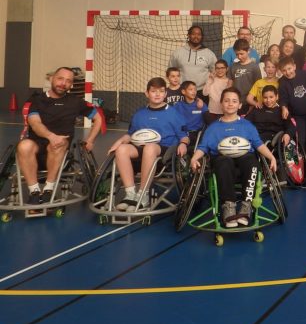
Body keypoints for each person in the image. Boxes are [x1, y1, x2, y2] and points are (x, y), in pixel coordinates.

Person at [190, 88, 277, 228]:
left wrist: (271, 157)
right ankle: (228, 206)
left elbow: (259, 144)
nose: (230, 104)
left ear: (240, 105)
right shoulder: (213, 127)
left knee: (252, 162)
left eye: (234, 101)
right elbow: (203, 147)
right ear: (221, 104)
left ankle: (246, 205)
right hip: (222, 160)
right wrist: (194, 158)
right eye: (227, 101)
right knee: (224, 161)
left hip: (245, 158)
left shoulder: (247, 125)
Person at [17, 66, 102, 205]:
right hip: (36, 146)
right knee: (24, 145)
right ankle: (34, 191)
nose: (63, 83)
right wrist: (51, 136)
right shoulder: (36, 100)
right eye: (60, 78)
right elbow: (35, 123)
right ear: (51, 78)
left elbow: (98, 118)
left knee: (58, 144)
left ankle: (49, 189)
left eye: (68, 81)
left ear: (71, 84)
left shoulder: (75, 102)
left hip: (60, 148)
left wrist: (90, 140)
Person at [109, 77, 189, 211]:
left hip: (165, 152)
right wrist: (120, 141)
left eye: (161, 91)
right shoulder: (139, 114)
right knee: (122, 149)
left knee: (150, 148)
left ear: (165, 94)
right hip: (141, 148)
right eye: (153, 91)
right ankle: (130, 194)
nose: (157, 94)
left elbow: (184, 136)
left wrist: (183, 144)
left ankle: (143, 194)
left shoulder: (174, 113)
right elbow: (130, 134)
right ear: (147, 93)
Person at [278, 56, 306, 160]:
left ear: (294, 66)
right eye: (284, 70)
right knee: (300, 140)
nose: (288, 72)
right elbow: (283, 98)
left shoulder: (304, 74)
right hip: (297, 115)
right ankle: (301, 162)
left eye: (289, 68)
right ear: (281, 71)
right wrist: (284, 107)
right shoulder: (282, 82)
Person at [168, 25, 217, 89]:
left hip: (203, 90)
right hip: (182, 90)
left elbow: (215, 72)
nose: (196, 36)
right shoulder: (178, 53)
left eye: (199, 34)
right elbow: (170, 71)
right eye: (193, 34)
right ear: (188, 35)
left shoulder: (209, 54)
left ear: (202, 36)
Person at [228, 39, 261, 114]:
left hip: (249, 103)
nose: (239, 56)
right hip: (235, 102)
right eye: (237, 54)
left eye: (241, 54)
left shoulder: (255, 67)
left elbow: (258, 86)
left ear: (248, 51)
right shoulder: (233, 66)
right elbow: (229, 84)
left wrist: (254, 103)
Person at [174, 80, 207, 147]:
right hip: (182, 134)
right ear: (183, 91)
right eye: (191, 89)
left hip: (197, 134)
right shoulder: (178, 106)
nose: (194, 92)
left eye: (195, 89)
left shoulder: (201, 104)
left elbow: (208, 118)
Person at [203, 59, 231, 124]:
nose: (220, 70)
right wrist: (210, 80)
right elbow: (205, 93)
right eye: (217, 68)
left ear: (227, 69)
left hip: (225, 112)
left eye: (222, 68)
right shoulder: (212, 80)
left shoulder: (229, 81)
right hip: (212, 111)